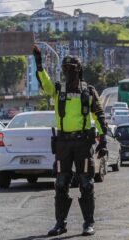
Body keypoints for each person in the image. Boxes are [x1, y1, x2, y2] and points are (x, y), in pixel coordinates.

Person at [33, 45, 108, 236]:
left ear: (79, 70)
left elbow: (99, 115)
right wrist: (39, 62)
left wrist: (103, 140)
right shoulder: (58, 89)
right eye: (65, 69)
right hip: (63, 143)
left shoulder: (88, 91)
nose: (68, 72)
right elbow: (45, 84)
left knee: (86, 183)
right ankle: (60, 224)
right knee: (60, 183)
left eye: (72, 69)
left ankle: (88, 223)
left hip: (83, 143)